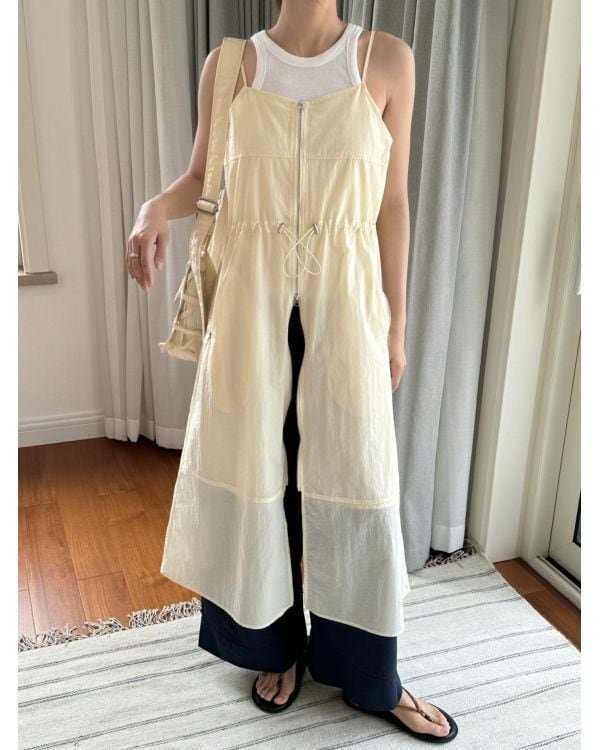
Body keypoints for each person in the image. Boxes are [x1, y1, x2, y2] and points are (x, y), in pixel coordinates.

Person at [127, 0, 457, 743]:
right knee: (258, 483)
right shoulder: (230, 66)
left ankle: (372, 675)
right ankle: (272, 649)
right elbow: (200, 178)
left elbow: (392, 203)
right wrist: (153, 208)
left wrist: (397, 325)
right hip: (251, 315)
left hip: (346, 313)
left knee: (355, 483)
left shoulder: (386, 60)